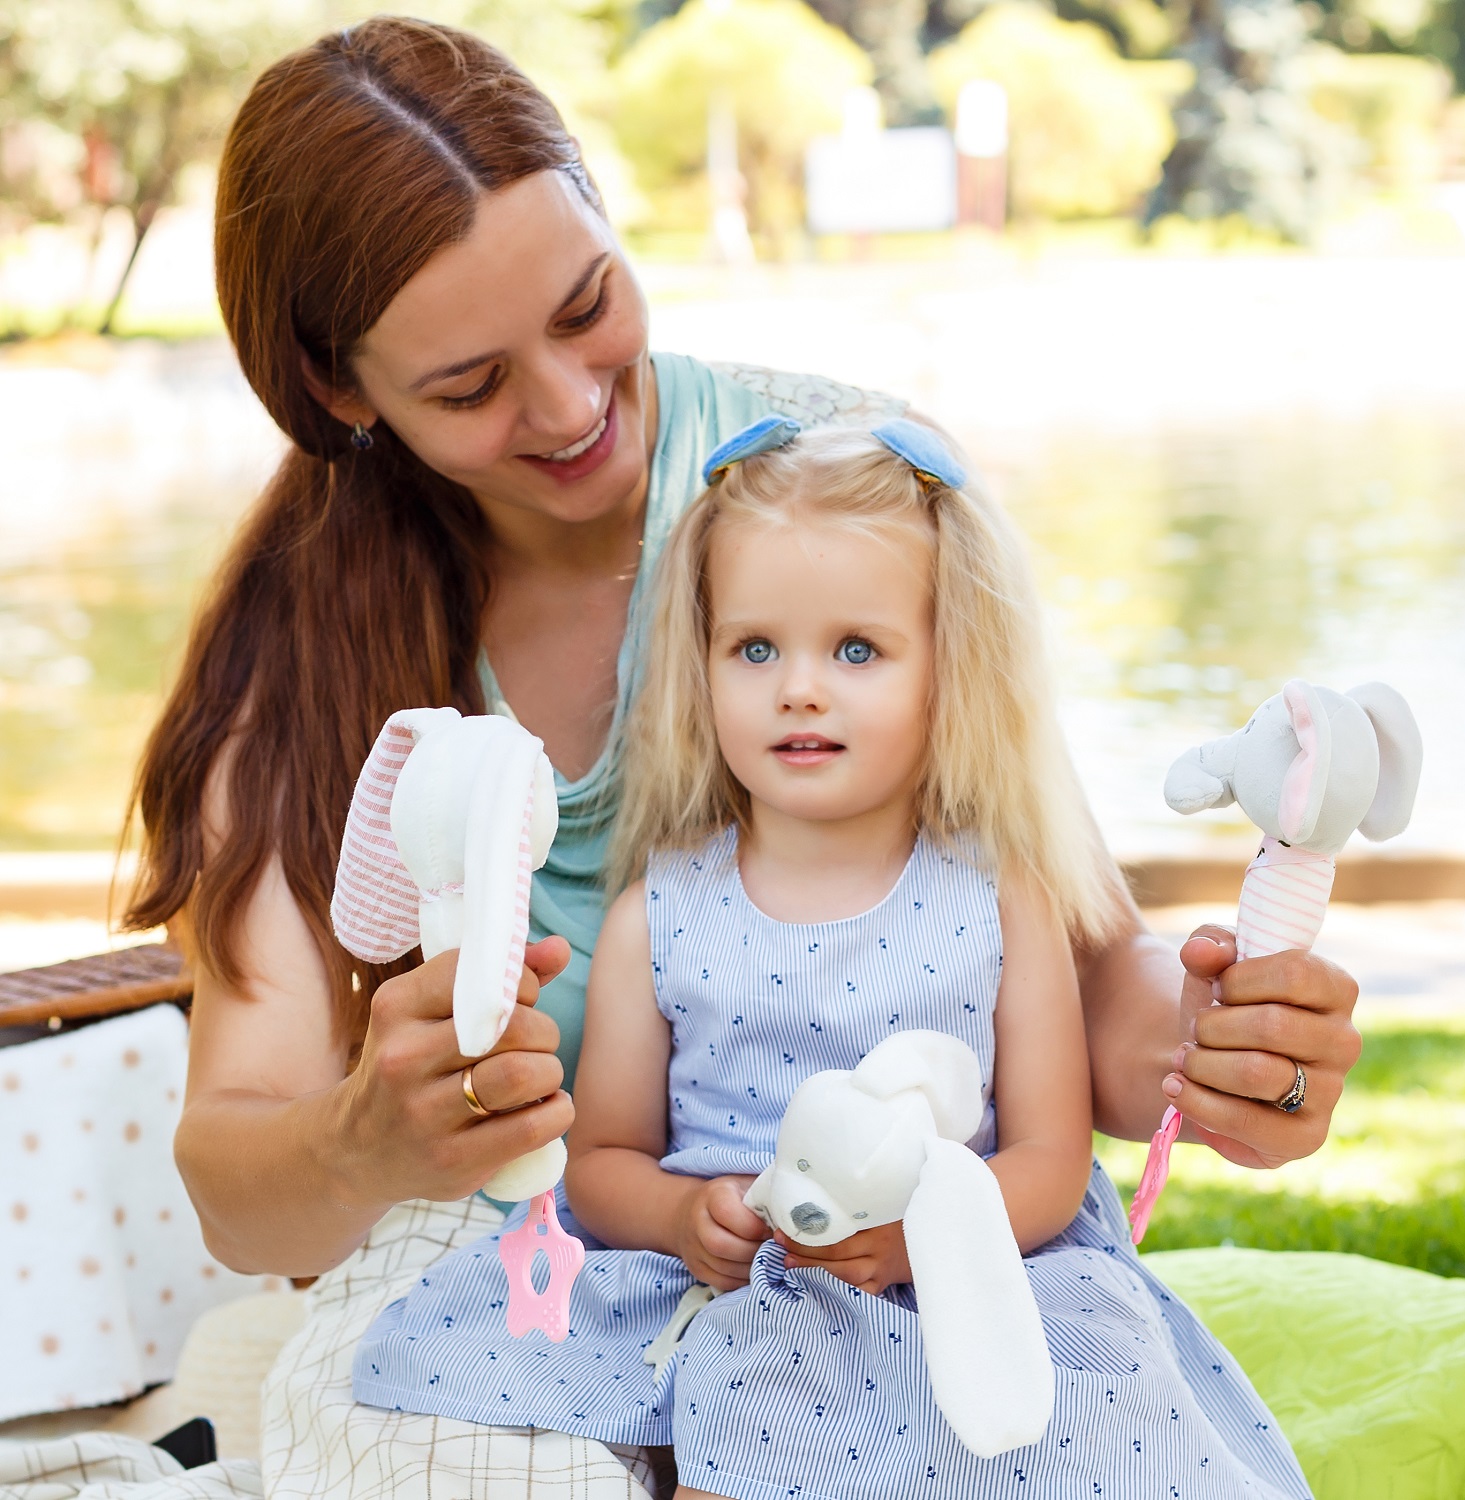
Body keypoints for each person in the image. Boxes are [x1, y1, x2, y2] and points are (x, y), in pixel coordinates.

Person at [121, 16, 1358, 1497]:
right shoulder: (301, 661)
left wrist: (1213, 1049)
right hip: (535, 1272)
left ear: (600, 205)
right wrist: (366, 1139)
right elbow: (239, 1182)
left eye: (588, 304)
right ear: (341, 391)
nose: (574, 408)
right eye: (470, 387)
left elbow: (1070, 954)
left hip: (902, 1276)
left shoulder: (846, 485)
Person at [351, 421, 1311, 1500]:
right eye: (755, 649)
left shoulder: (1000, 898)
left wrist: (915, 1245)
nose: (800, 689)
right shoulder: (659, 914)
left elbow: (1049, 1159)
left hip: (963, 1271)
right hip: (745, 1290)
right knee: (725, 1404)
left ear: (949, 668)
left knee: (1099, 1416)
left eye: (856, 650)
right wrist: (680, 1216)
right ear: (701, 663)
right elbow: (605, 1157)